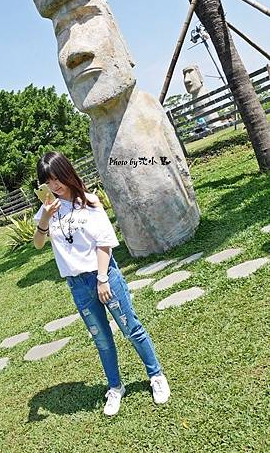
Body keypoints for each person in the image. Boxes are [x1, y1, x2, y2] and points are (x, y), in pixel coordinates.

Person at [33, 152, 170, 416]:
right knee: (102, 339)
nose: (54, 186)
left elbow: (104, 243)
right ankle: (115, 388)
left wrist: (103, 278)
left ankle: (156, 376)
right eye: (48, 182)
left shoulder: (90, 202)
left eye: (56, 178)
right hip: (77, 285)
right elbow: (38, 244)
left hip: (103, 276)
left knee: (131, 328)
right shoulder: (48, 209)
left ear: (66, 172)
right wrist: (44, 219)